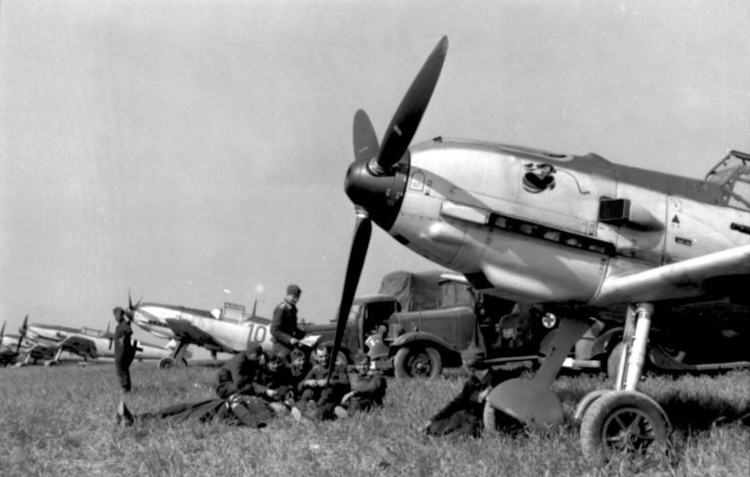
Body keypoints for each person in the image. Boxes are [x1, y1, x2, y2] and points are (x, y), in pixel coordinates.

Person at [116, 343, 277, 428]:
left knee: (186, 416)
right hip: (223, 403)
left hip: (225, 410)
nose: (279, 404)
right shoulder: (240, 362)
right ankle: (137, 417)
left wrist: (236, 405)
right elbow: (242, 385)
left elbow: (252, 422)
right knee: (184, 407)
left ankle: (135, 421)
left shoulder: (268, 413)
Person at [422, 344, 512, 438]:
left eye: (464, 365)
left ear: (472, 367)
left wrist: (489, 391)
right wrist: (434, 418)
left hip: (481, 421)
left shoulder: (497, 378)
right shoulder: (472, 382)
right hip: (465, 415)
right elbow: (457, 402)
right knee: (434, 428)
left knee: (452, 436)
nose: (463, 368)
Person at [293, 342, 350, 420]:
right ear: (316, 357)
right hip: (318, 397)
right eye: (321, 357)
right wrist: (307, 382)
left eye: (325, 356)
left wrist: (329, 382)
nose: (324, 359)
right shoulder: (316, 368)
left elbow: (345, 382)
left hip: (332, 398)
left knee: (327, 397)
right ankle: (301, 410)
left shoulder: (338, 366)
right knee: (307, 392)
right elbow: (299, 386)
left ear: (329, 354)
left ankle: (312, 413)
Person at [271, 284, 306, 358]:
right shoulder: (281, 309)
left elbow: (293, 328)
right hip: (281, 347)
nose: (296, 299)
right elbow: (274, 330)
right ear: (287, 295)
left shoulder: (292, 308)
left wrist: (304, 335)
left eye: (298, 297)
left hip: (289, 346)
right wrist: (289, 339)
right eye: (294, 297)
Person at [113, 307, 136, 393]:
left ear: (122, 315)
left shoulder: (124, 324)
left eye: (117, 315)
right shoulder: (121, 325)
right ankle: (126, 389)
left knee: (121, 370)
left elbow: (129, 331)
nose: (116, 317)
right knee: (123, 370)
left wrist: (123, 338)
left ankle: (125, 389)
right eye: (115, 316)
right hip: (120, 351)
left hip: (122, 352)